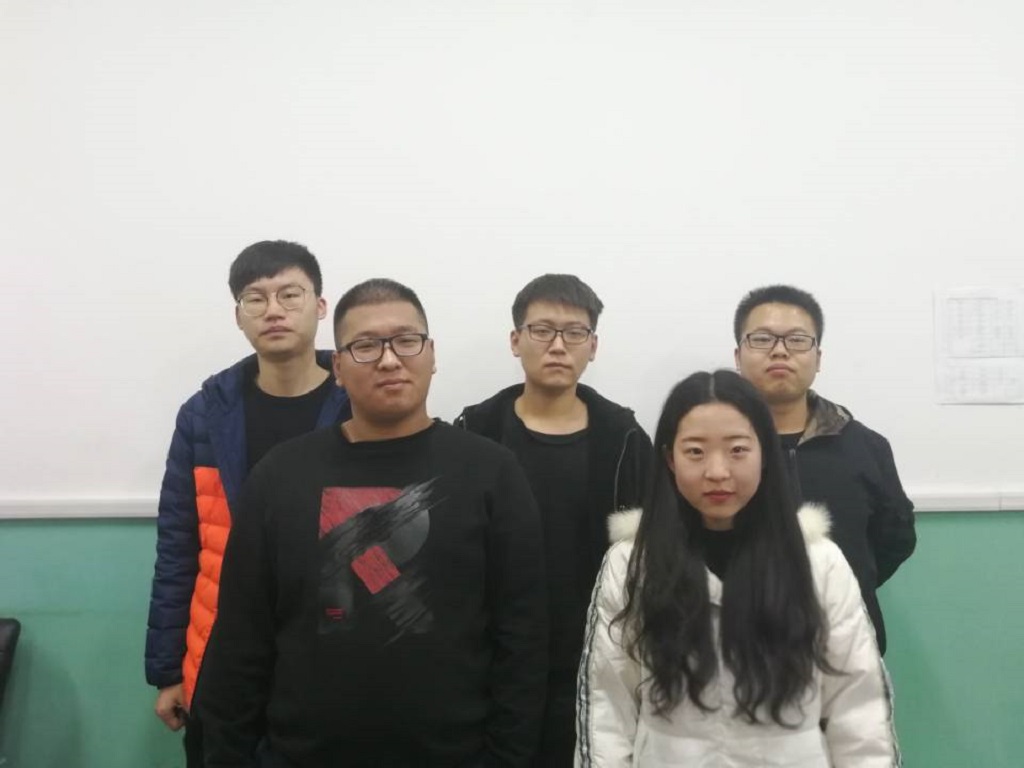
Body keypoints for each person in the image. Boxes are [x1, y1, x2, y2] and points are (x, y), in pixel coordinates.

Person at [200, 278, 549, 767]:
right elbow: (241, 638)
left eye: (407, 341)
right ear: (338, 369)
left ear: (431, 354)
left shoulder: (490, 472)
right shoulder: (280, 476)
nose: (389, 360)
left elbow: (523, 635)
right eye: (365, 346)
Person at [577, 370, 900, 767]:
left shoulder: (818, 561)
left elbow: (860, 710)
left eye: (737, 450)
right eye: (695, 452)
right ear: (670, 459)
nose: (717, 471)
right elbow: (607, 708)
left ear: (765, 454)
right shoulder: (632, 562)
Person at [144, 240, 350, 766]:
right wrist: (168, 670)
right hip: (225, 654)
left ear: (320, 306)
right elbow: (178, 547)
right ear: (238, 315)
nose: (274, 310)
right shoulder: (205, 415)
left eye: (290, 294)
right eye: (255, 298)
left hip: (332, 653)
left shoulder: (358, 404)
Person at [456, 274, 650, 767]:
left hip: (594, 659)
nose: (558, 345)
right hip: (490, 659)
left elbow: (652, 555)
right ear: (515, 340)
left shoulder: (624, 438)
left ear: (593, 346)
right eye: (542, 330)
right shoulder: (475, 431)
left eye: (574, 332)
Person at [733, 284, 915, 654]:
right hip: (738, 644)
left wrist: (845, 587)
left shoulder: (864, 446)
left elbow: (895, 539)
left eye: (797, 340)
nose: (780, 350)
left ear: (818, 357)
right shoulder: (711, 448)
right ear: (738, 356)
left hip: (847, 645)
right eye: (762, 339)